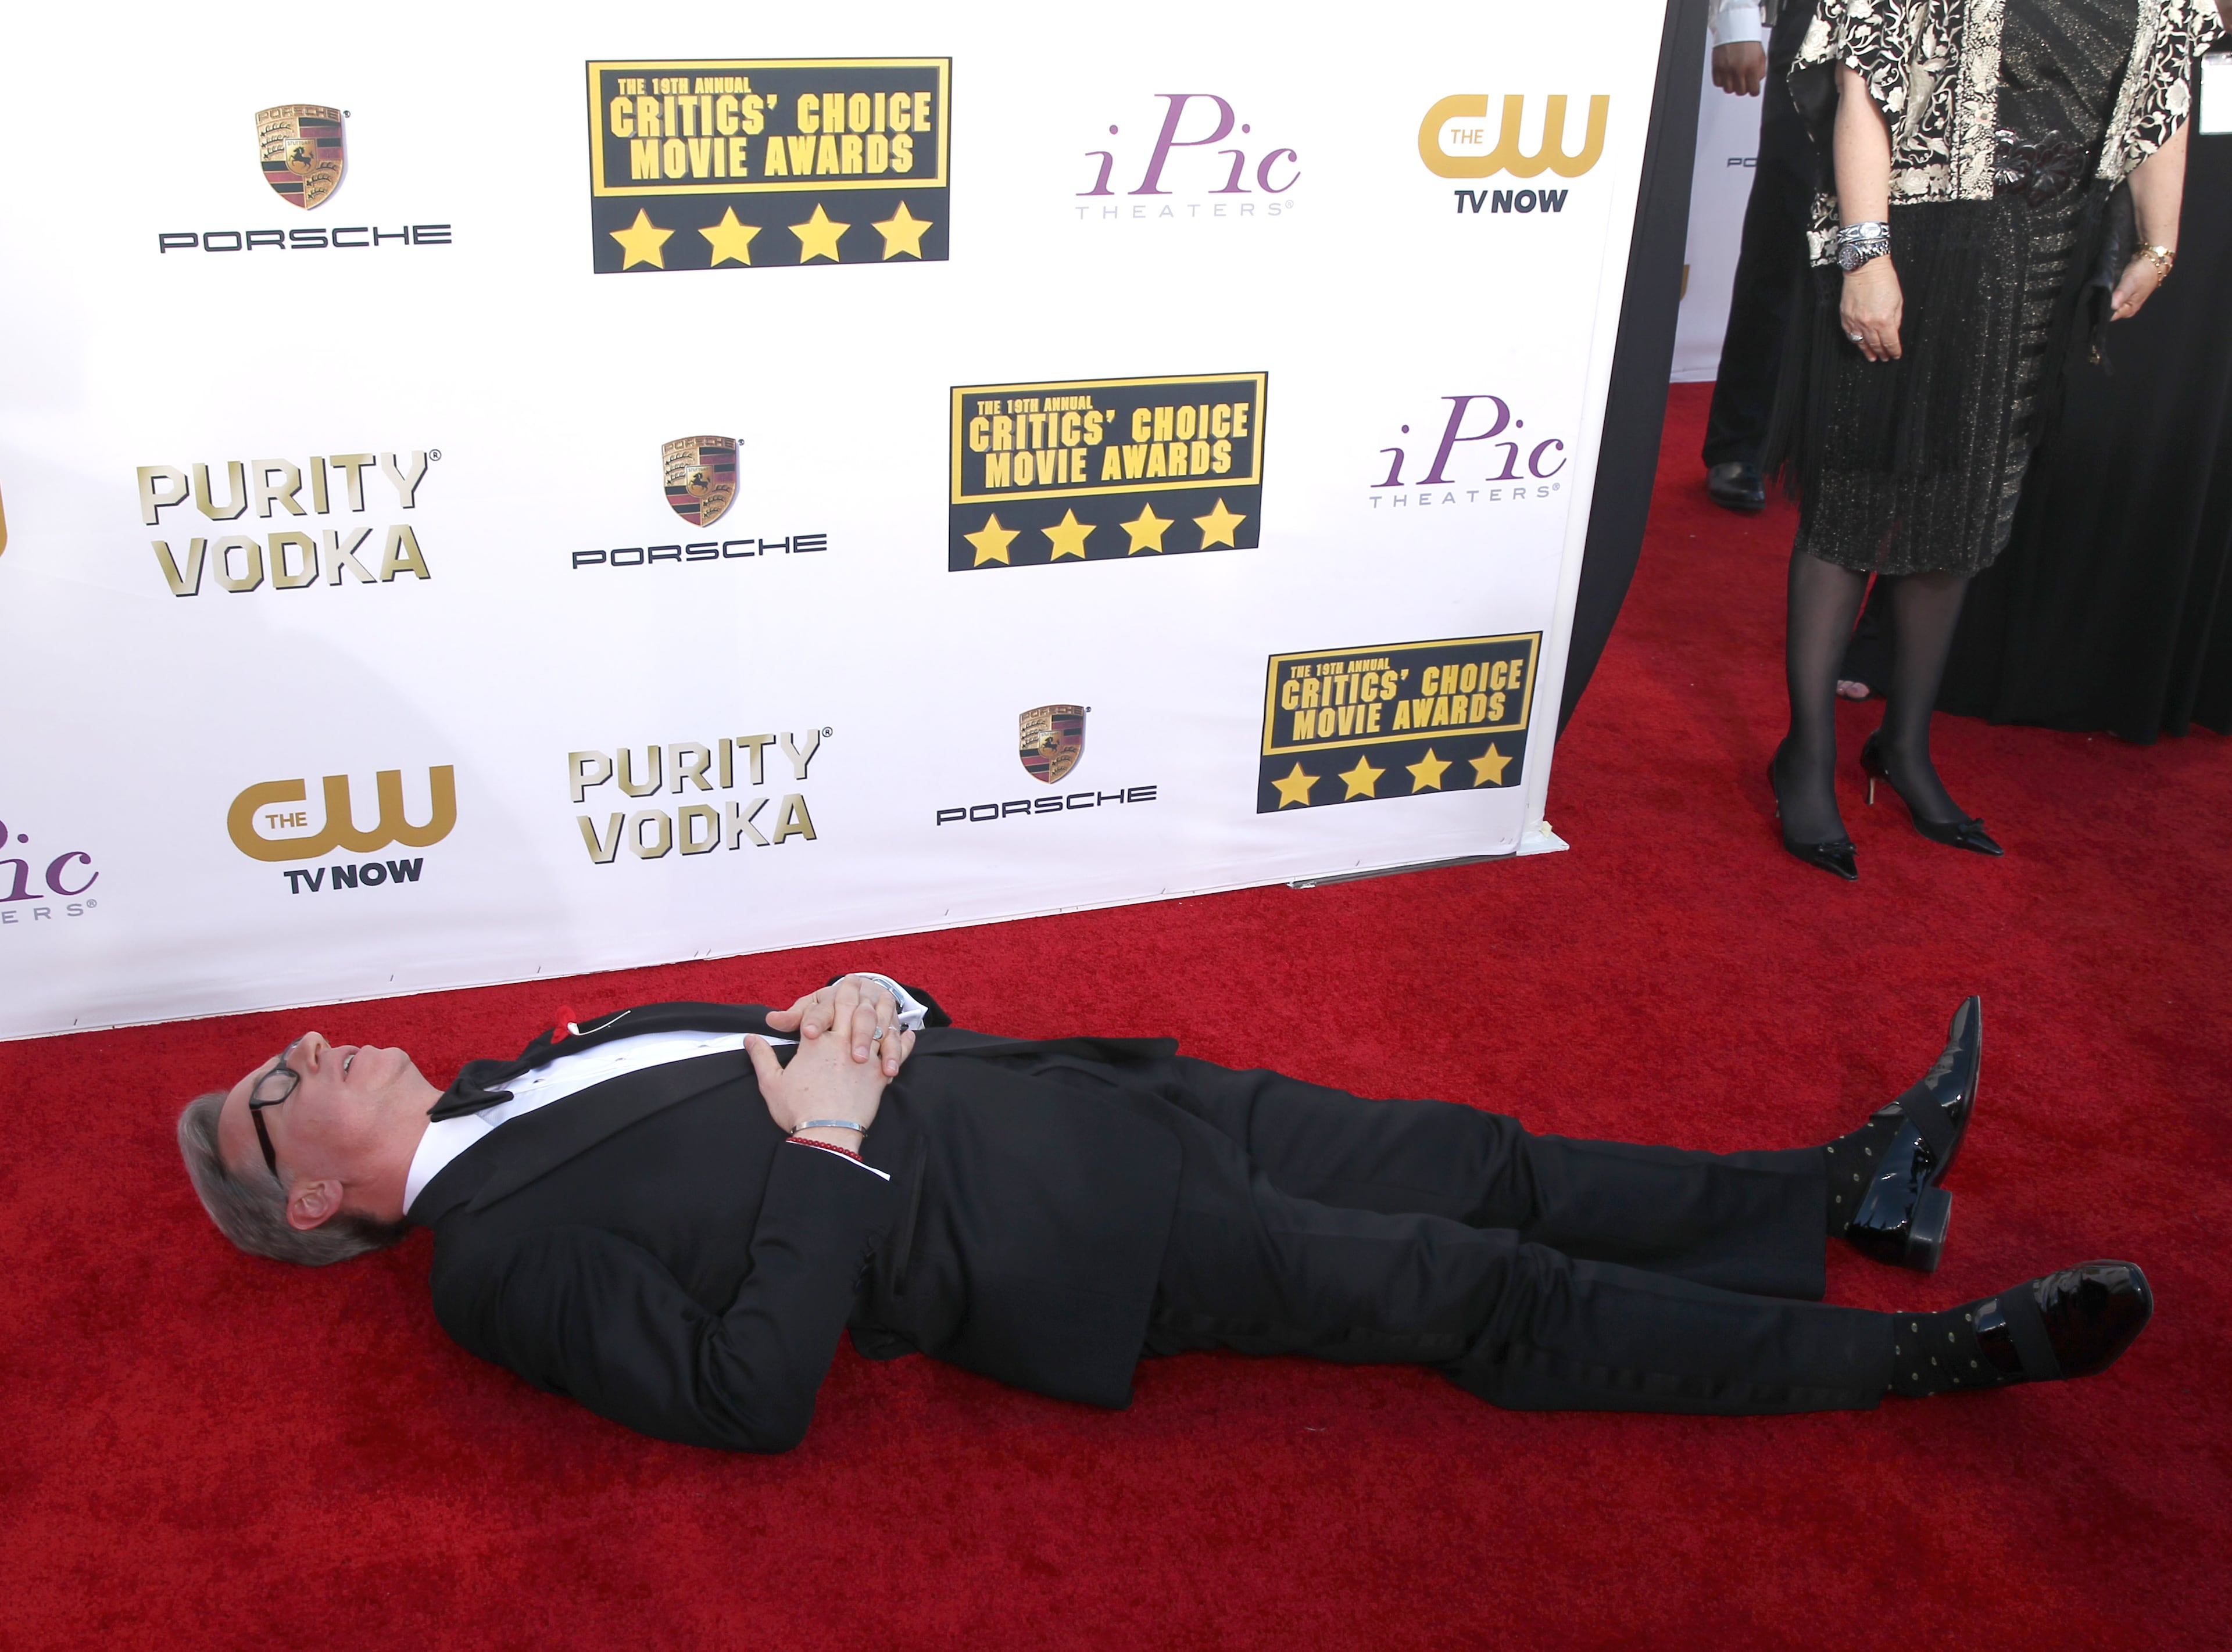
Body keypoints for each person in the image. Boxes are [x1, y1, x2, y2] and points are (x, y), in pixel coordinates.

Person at [177, 975, 2151, 1450]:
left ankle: (1837, 1189)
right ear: (318, 1204)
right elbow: (747, 1386)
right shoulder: (491, 1269)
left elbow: (796, 1040)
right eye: (289, 1088)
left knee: (1481, 1155)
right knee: (1479, 1284)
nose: (324, 1048)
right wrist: (830, 1136)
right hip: (1067, 1250)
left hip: (1093, 1094)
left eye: (297, 1044)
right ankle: (1928, 1353)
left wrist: (881, 1010)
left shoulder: (533, 1055)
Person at [1764, 0, 2223, 879]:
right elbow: (1865, 76)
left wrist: (2161, 244)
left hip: (2047, 256)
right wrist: (1866, 255)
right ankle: (1807, 755)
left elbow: (2166, 88)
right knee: (1857, 493)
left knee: (1973, 502)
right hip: (1915, 237)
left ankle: (1905, 745)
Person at [1702, 0, 1820, 514]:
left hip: (1948, 37)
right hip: (1827, 25)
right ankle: (1741, 442)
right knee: (1783, 234)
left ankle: (1844, 448)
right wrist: (1737, 19)